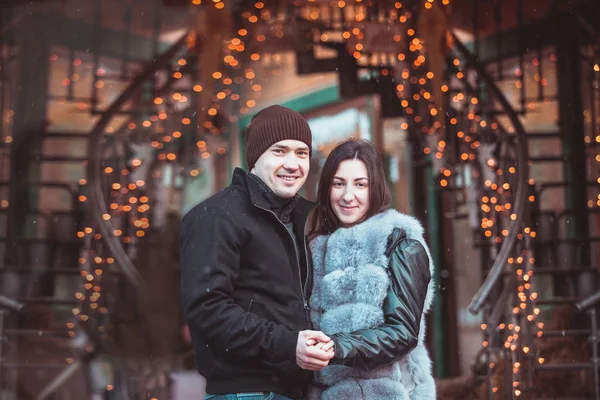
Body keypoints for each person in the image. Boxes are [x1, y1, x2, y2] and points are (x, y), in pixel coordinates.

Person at [180, 105, 334, 400]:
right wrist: (288, 344)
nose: (293, 163)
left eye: (302, 153)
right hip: (247, 392)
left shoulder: (300, 219)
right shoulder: (216, 217)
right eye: (280, 151)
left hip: (294, 390)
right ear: (256, 156)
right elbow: (207, 310)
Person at [306, 139, 436, 399]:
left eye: (360, 184)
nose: (347, 195)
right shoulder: (315, 248)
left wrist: (337, 347)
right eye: (338, 183)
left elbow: (402, 333)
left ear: (375, 187)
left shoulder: (400, 241)